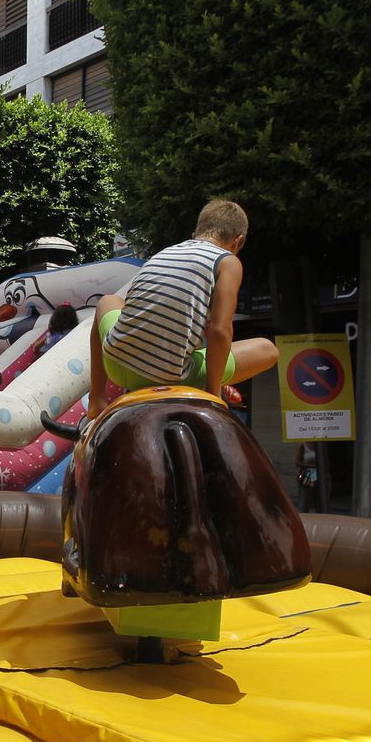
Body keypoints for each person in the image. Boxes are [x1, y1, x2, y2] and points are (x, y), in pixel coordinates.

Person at [88, 199, 279, 421]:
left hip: (116, 363)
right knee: (268, 349)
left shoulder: (163, 254)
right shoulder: (228, 262)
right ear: (238, 241)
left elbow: (135, 311)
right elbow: (220, 331)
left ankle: (97, 400)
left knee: (108, 301)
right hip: (169, 375)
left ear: (195, 233)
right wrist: (213, 394)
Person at [295, 441, 321, 513]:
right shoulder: (302, 444)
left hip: (320, 475)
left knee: (320, 502)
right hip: (308, 474)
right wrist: (314, 466)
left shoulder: (319, 444)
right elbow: (297, 462)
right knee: (304, 502)